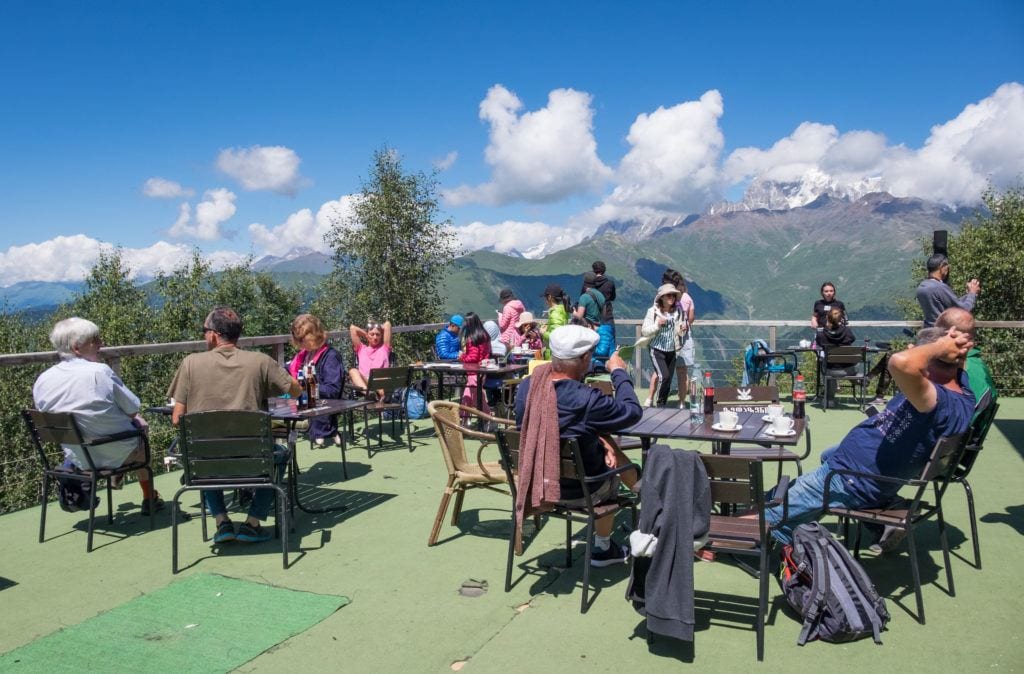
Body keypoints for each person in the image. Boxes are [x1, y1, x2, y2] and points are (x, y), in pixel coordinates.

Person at [759, 326, 975, 547]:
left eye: (917, 351)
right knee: (826, 455)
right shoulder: (964, 391)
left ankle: (740, 533)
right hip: (869, 474)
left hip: (851, 479)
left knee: (764, 514)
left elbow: (900, 362)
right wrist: (954, 349)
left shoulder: (932, 399)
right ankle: (883, 517)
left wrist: (938, 347)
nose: (911, 351)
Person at [167, 307, 301, 544]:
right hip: (253, 460)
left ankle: (222, 521)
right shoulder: (260, 361)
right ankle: (252, 523)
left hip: (207, 464)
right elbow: (295, 390)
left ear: (214, 335)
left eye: (204, 331)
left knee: (205, 451)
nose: (204, 336)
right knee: (279, 454)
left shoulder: (190, 363)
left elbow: (177, 417)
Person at [514, 325, 642, 566]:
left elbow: (555, 425)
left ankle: (641, 487)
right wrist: (618, 373)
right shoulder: (586, 400)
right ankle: (604, 548)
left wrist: (600, 437)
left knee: (609, 445)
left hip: (538, 483)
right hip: (582, 491)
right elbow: (632, 412)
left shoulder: (527, 387)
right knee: (613, 468)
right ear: (584, 358)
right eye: (590, 356)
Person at [33, 317, 160, 513]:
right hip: (118, 451)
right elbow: (133, 408)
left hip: (78, 457)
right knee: (140, 425)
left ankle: (117, 478)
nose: (101, 343)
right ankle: (148, 496)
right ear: (77, 347)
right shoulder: (99, 372)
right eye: (95, 340)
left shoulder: (42, 380)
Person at [289, 314, 346, 447]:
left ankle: (326, 431)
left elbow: (333, 390)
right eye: (299, 339)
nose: (300, 343)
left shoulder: (331, 357)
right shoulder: (305, 355)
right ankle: (283, 450)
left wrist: (306, 387)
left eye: (303, 339)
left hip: (324, 404)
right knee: (275, 414)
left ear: (313, 335)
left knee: (283, 419)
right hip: (304, 401)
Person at [935, 307, 998, 417]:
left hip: (949, 431)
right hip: (968, 429)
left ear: (949, 335)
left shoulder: (958, 371)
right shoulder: (977, 364)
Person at [641, 284, 684, 407]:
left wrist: (682, 329)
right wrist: (657, 326)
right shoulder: (653, 312)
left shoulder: (678, 311)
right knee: (663, 376)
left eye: (674, 295)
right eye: (669, 295)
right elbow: (644, 331)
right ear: (662, 298)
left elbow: (679, 331)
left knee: (668, 379)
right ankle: (660, 404)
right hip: (657, 349)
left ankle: (662, 403)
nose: (672, 297)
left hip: (672, 350)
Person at [659, 269, 696, 409]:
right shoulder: (687, 297)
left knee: (663, 372)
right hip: (684, 338)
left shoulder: (665, 296)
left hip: (666, 338)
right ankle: (681, 403)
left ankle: (658, 400)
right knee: (682, 372)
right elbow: (691, 319)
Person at [916, 253, 981, 327]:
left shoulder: (922, 287)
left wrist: (968, 295)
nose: (947, 270)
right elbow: (964, 309)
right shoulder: (939, 287)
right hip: (941, 332)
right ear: (941, 267)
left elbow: (953, 302)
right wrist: (972, 293)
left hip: (928, 330)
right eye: (947, 267)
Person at [458, 312, 492, 414]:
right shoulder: (484, 335)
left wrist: (462, 357)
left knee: (477, 399)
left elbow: (473, 357)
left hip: (473, 371)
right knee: (467, 397)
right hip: (482, 369)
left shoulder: (473, 338)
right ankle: (463, 420)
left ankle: (489, 419)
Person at [348, 319, 393, 394]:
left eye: (378, 334)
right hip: (365, 382)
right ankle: (369, 394)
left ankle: (374, 394)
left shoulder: (384, 348)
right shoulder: (361, 348)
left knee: (383, 380)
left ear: (381, 336)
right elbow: (352, 328)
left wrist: (377, 327)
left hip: (380, 382)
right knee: (353, 371)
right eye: (372, 334)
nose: (375, 337)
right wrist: (366, 334)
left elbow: (387, 324)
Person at [586, 261, 616, 338]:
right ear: (604, 270)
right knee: (609, 342)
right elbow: (613, 298)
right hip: (607, 316)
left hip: (591, 318)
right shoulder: (610, 283)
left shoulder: (588, 284)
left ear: (593, 271)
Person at [540, 284, 570, 354]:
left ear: (550, 297)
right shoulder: (562, 310)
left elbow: (556, 337)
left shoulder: (555, 313)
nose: (545, 300)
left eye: (545, 297)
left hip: (553, 354)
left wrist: (543, 332)